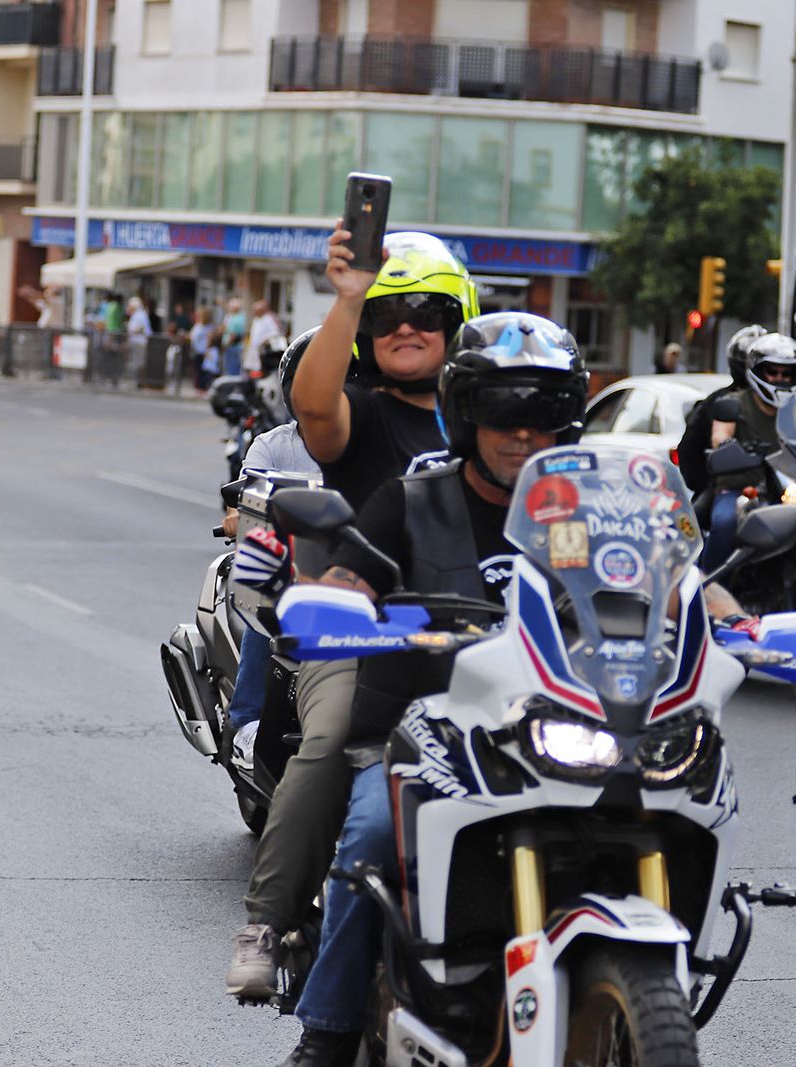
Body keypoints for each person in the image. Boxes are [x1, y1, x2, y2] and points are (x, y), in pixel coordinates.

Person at [270, 312, 755, 1065]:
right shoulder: (411, 501)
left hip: (561, 723)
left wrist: (744, 624)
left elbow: (676, 576)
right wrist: (335, 607)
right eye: (503, 410)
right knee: (370, 837)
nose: (523, 432)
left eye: (544, 411)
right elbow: (344, 578)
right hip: (427, 730)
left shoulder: (596, 509)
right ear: (467, 413)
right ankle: (326, 1033)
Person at [225, 227, 478, 1003]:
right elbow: (311, 404)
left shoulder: (500, 420)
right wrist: (347, 296)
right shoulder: (360, 414)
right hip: (365, 636)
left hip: (487, 644)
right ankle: (267, 920)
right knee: (334, 736)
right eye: (388, 311)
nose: (406, 324)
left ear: (458, 323)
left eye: (426, 310)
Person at [219, 328, 327, 774]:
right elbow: (238, 508)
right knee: (272, 604)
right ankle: (246, 724)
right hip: (290, 569)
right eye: (313, 382)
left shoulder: (371, 446)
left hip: (354, 571)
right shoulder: (273, 445)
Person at [677, 329, 796, 571]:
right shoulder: (730, 402)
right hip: (738, 488)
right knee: (725, 522)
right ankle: (708, 585)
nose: (778, 378)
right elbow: (715, 438)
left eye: (785, 373)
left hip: (787, 490)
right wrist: (724, 447)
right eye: (772, 371)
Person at [245, 299, 283, 375]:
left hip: (263, 352)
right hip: (254, 350)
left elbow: (275, 332)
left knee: (259, 372)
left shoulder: (268, 319)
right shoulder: (256, 319)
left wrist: (264, 340)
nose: (254, 312)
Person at [223, 297, 247, 378]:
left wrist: (226, 345)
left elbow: (234, 335)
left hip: (233, 347)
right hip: (235, 347)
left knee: (232, 369)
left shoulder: (237, 319)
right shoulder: (237, 316)